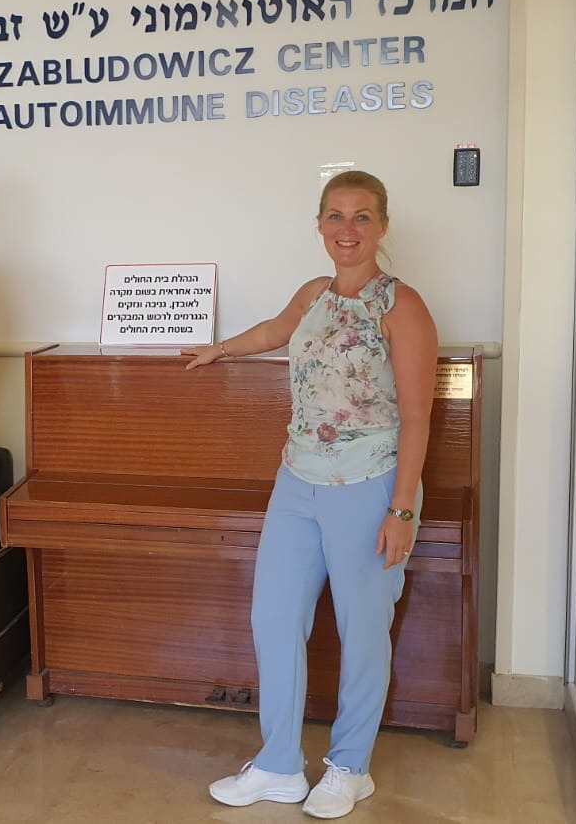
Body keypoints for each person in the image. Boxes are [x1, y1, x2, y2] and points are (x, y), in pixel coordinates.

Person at [192, 170, 437, 820]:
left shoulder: (402, 306)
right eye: (335, 216)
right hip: (296, 482)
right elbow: (274, 331)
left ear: (382, 226)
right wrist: (219, 350)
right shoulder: (312, 293)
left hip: (370, 485)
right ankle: (278, 764)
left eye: (361, 217)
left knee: (363, 631)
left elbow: (418, 419)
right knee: (274, 617)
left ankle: (350, 767)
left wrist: (401, 510)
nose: (346, 229)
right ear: (320, 225)